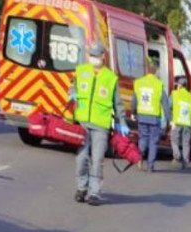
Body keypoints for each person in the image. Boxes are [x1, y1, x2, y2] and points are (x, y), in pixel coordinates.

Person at [68, 41, 127, 206]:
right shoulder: (81, 71)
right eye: (91, 55)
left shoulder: (111, 78)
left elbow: (118, 103)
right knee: (81, 158)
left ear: (103, 57)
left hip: (101, 126)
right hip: (83, 123)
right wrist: (72, 94)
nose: (93, 58)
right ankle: (82, 188)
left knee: (97, 160)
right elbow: (73, 87)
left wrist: (121, 122)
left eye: (96, 55)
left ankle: (94, 192)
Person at [133, 58, 170, 172]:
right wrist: (169, 119)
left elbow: (134, 100)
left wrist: (134, 112)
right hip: (154, 118)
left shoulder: (138, 82)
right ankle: (150, 166)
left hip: (142, 116)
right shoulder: (159, 84)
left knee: (143, 138)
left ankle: (139, 158)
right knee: (153, 142)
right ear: (156, 71)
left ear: (147, 70)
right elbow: (165, 103)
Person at [170, 75, 191, 169]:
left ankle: (177, 155)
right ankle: (185, 162)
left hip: (177, 122)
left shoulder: (174, 94)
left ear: (179, 85)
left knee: (174, 140)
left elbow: (169, 105)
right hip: (187, 123)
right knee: (186, 143)